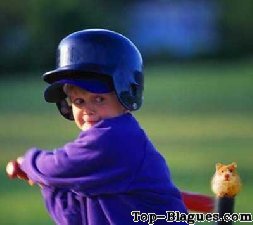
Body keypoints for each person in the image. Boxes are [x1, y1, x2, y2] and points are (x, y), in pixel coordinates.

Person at [7, 29, 188, 225]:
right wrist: (49, 184)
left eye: (99, 98)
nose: (88, 109)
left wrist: (30, 162)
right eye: (79, 101)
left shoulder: (117, 138)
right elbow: (73, 217)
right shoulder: (95, 164)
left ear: (125, 96)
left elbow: (62, 166)